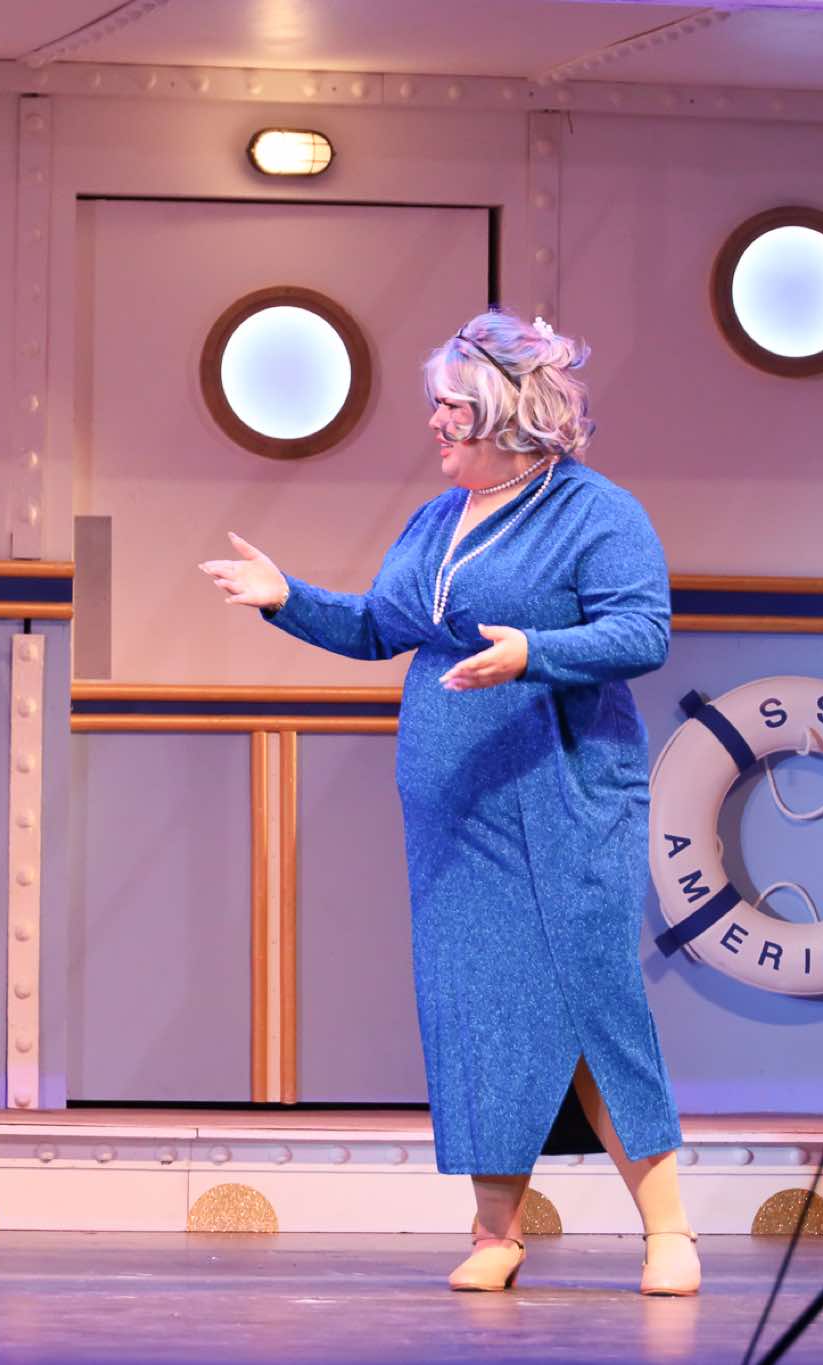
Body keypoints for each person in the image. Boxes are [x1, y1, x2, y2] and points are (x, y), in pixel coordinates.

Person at [199, 309, 698, 1295]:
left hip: (562, 800)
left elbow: (642, 632)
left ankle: (668, 1230)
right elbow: (380, 626)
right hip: (455, 814)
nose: (432, 421)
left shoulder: (596, 513)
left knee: (590, 999)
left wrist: (533, 651)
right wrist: (285, 596)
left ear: (508, 414)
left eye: (450, 406)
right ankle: (494, 1232)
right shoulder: (436, 519)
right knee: (477, 1011)